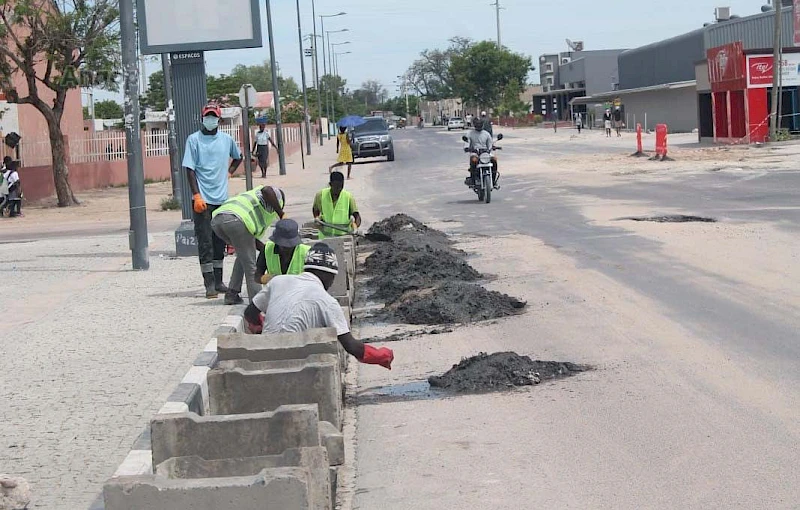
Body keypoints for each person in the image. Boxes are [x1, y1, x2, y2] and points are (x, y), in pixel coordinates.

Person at [244, 243, 394, 370]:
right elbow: (351, 346)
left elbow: (249, 313)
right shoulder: (326, 301)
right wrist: (382, 355)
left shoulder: (278, 281)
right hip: (296, 366)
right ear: (330, 276)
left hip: (263, 359)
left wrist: (262, 328)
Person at [183, 102, 244, 298]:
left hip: (222, 200)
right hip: (203, 200)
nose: (210, 119)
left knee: (220, 242)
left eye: (213, 116)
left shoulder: (227, 140)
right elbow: (190, 170)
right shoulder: (193, 140)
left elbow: (238, 157)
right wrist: (196, 195)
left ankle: (219, 282)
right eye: (207, 116)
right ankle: (209, 284)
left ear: (219, 119)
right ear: (203, 118)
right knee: (205, 242)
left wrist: (230, 172)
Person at [211, 185, 286, 305]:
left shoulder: (252, 198)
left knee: (243, 256)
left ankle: (232, 293)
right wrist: (281, 213)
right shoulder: (278, 196)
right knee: (251, 266)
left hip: (218, 221)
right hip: (236, 220)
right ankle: (257, 303)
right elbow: (267, 190)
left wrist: (266, 250)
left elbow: (250, 241)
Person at [255, 218, 311, 285]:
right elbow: (257, 275)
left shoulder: (307, 252)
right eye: (283, 245)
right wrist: (264, 279)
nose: (286, 248)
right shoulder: (267, 249)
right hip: (275, 293)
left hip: (298, 294)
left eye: (290, 245)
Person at [313, 171, 361, 239]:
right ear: (330, 184)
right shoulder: (320, 195)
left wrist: (355, 227)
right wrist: (317, 218)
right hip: (325, 237)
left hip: (344, 236)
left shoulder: (348, 197)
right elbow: (315, 209)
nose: (339, 189)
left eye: (341, 186)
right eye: (336, 187)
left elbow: (357, 216)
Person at [465, 117, 499, 189]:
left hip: (485, 153)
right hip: (475, 152)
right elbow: (467, 142)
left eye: (480, 125)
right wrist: (467, 148)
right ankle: (473, 180)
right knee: (474, 160)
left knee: (494, 159)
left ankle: (493, 181)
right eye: (477, 125)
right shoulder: (470, 133)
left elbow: (490, 144)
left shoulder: (486, 134)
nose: (479, 127)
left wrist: (493, 147)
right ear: (474, 125)